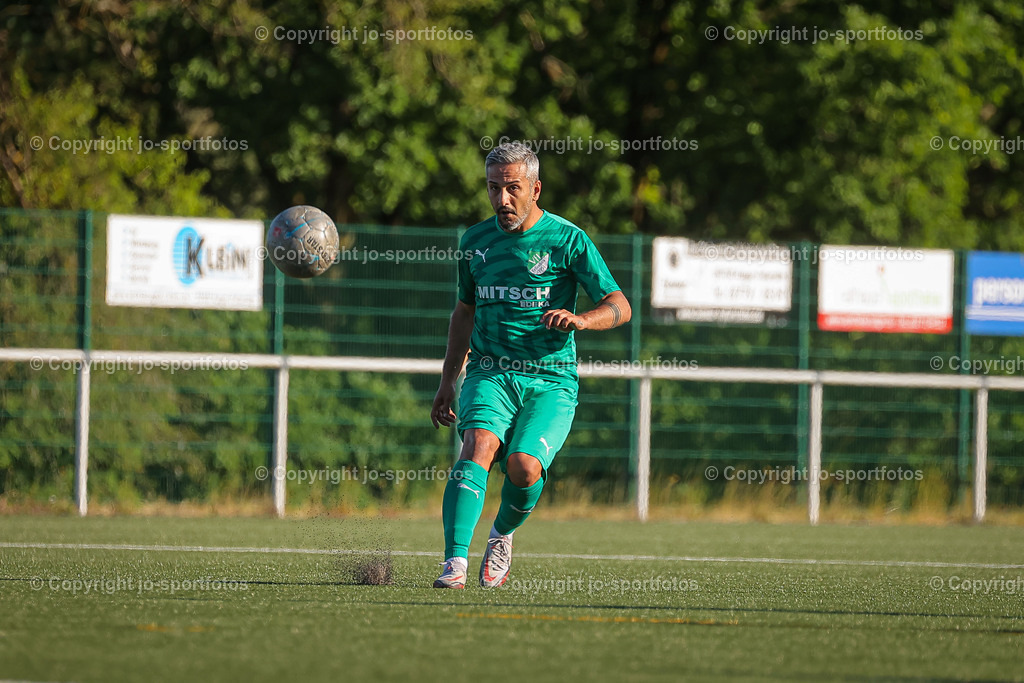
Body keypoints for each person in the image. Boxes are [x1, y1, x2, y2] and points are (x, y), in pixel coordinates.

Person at [429, 142, 631, 589]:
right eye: (493, 188)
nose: (502, 199)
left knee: (523, 466)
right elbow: (464, 312)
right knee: (478, 444)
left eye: (512, 188)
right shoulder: (475, 242)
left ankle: (501, 534)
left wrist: (581, 319)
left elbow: (620, 306)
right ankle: (454, 562)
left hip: (551, 378)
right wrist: (448, 380)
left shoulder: (568, 240)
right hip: (490, 370)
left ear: (535, 189)